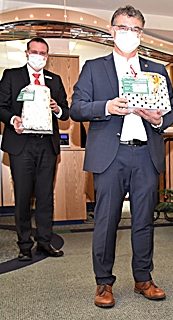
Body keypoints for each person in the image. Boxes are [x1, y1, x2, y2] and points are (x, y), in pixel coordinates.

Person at [70, 5, 173, 308]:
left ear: (141, 34)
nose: (130, 34)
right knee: (106, 221)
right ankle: (103, 283)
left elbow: (172, 111)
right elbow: (76, 107)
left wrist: (158, 119)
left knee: (144, 220)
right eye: (124, 27)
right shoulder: (94, 67)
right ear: (112, 30)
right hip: (110, 156)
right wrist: (106, 107)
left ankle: (143, 278)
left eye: (136, 29)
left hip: (146, 154)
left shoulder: (156, 70)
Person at [0, 37, 69, 261]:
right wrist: (13, 120)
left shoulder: (54, 80)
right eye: (35, 51)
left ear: (47, 57)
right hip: (22, 143)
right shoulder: (12, 76)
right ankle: (24, 245)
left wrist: (57, 108)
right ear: (27, 53)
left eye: (43, 53)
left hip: (47, 144)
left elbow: (66, 112)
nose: (39, 56)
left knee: (45, 195)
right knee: (23, 195)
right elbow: (0, 106)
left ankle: (44, 242)